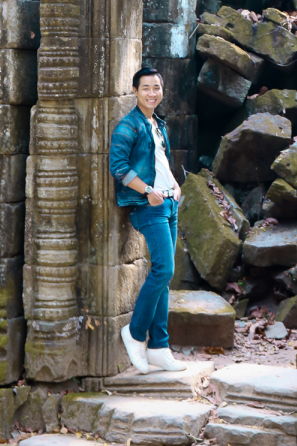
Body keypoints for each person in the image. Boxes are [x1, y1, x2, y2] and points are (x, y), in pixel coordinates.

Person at [109, 66, 187, 374]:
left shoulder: (158, 124)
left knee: (164, 277)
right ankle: (135, 332)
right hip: (149, 206)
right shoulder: (128, 126)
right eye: (146, 88)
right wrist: (147, 191)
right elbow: (118, 165)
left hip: (169, 202)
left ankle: (159, 347)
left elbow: (161, 162)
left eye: (157, 87)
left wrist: (175, 186)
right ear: (135, 92)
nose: (152, 93)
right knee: (164, 269)